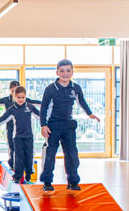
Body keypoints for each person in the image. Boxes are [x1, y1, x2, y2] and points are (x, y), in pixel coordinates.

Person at [39, 59, 100, 191]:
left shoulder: (75, 87)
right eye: (62, 71)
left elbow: (81, 102)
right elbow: (43, 108)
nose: (65, 74)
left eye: (68, 71)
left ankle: (73, 181)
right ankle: (47, 182)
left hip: (68, 125)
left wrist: (90, 114)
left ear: (72, 72)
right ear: (57, 72)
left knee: (72, 154)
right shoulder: (50, 89)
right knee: (50, 154)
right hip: (53, 126)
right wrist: (43, 125)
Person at [0, 81, 41, 169]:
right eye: (13, 90)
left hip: (23, 128)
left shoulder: (24, 99)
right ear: (10, 90)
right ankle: (13, 165)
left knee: (26, 148)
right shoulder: (6, 100)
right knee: (12, 146)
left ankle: (25, 166)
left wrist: (50, 104)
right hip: (10, 128)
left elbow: (36, 102)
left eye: (16, 91)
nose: (14, 93)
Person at [0, 86, 40, 183]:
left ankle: (29, 174)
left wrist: (50, 123)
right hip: (17, 137)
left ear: (25, 97)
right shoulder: (12, 109)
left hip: (29, 137)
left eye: (23, 97)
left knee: (29, 155)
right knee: (18, 156)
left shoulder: (30, 107)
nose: (21, 99)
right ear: (14, 97)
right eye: (18, 97)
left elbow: (41, 116)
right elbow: (3, 118)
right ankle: (18, 176)